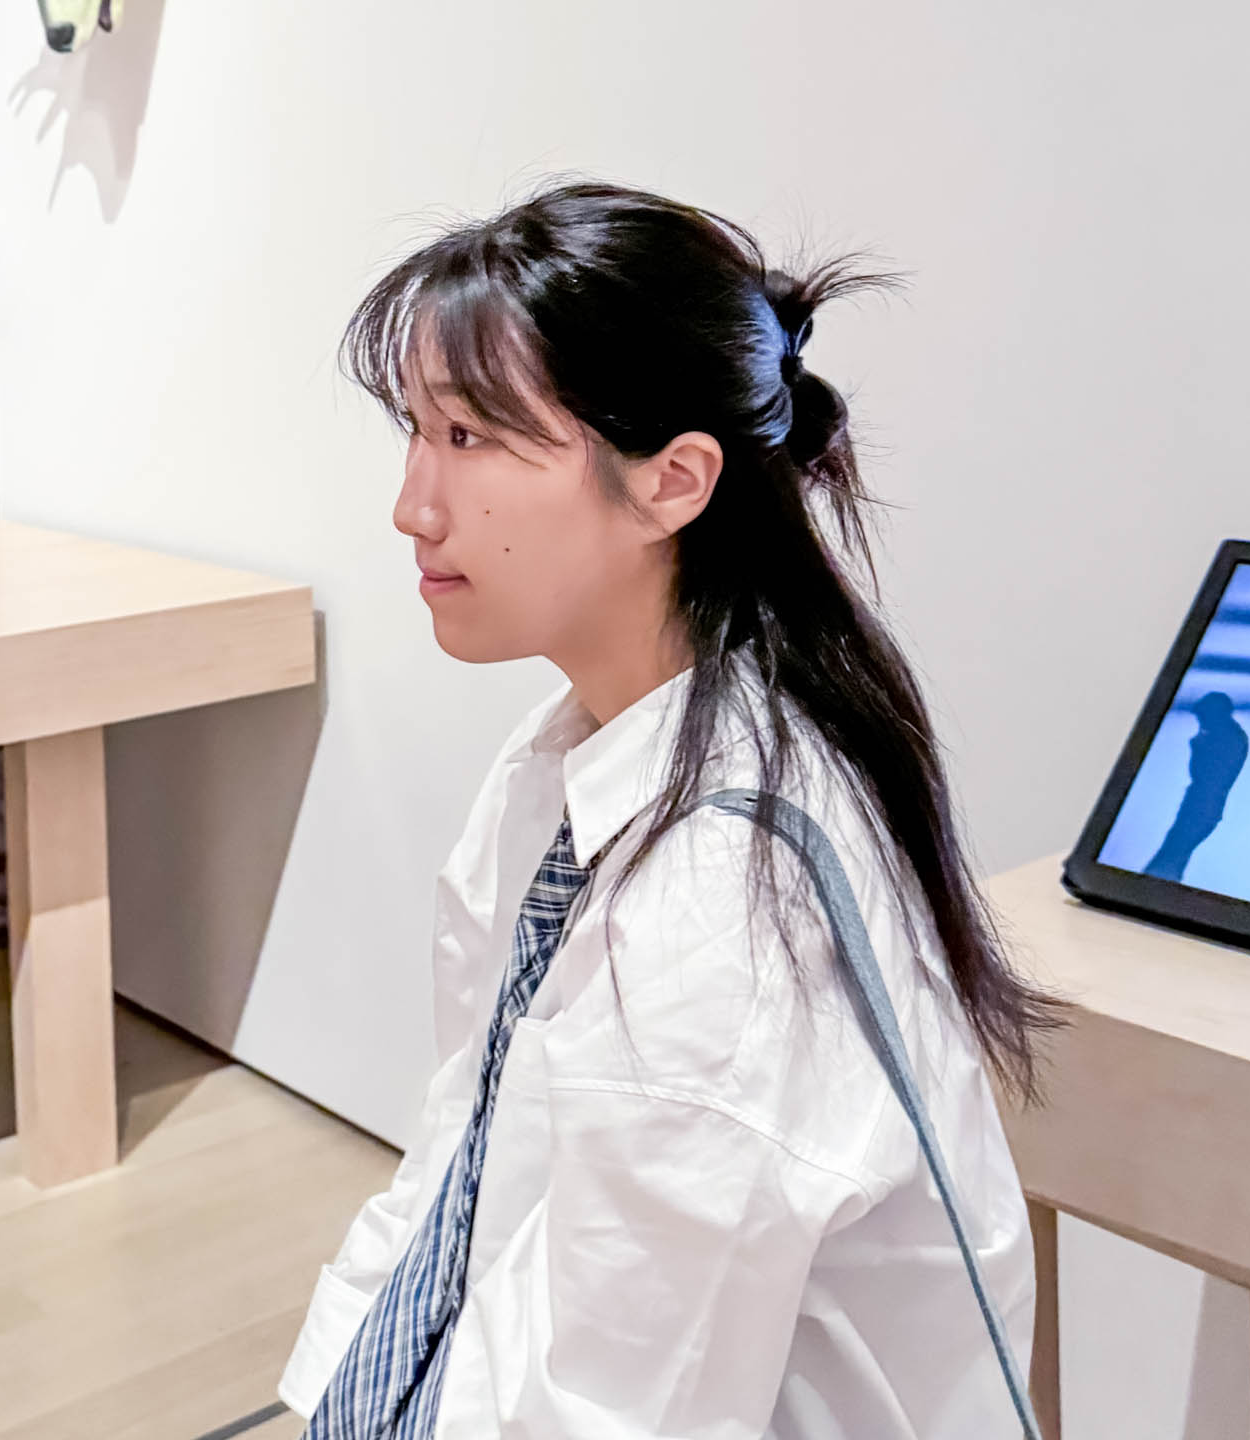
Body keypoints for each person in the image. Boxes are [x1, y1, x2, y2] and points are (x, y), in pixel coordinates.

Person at [278, 180, 1064, 1440]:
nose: (414, 505)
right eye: (415, 433)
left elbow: (620, 1410)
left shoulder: (725, 911)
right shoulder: (572, 762)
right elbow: (464, 1171)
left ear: (673, 482)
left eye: (472, 439)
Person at [1144, 691, 1249, 883]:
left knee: (1170, 857)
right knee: (1172, 856)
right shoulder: (1229, 736)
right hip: (1201, 806)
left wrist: (1198, 745)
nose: (1200, 722)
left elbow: (1203, 773)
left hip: (1201, 808)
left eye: (1203, 718)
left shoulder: (1227, 739)